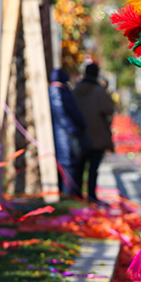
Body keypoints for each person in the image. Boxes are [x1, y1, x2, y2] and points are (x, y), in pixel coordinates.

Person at [72, 63, 115, 203]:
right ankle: (91, 195)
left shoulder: (76, 89)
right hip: (97, 135)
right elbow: (108, 109)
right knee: (93, 168)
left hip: (80, 134)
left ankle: (76, 194)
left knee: (79, 167)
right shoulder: (98, 90)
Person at [48, 68, 86, 196]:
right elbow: (62, 114)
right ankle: (68, 193)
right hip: (64, 135)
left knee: (71, 163)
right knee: (67, 164)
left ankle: (71, 193)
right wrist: (73, 129)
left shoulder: (62, 90)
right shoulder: (56, 91)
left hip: (66, 133)